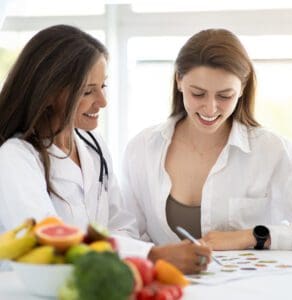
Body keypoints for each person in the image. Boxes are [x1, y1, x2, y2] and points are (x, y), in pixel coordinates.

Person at [0, 24, 211, 273]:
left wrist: (135, 258)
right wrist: (150, 255)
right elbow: (47, 242)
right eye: (88, 91)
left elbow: (122, 224)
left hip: (101, 282)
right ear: (48, 93)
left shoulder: (94, 146)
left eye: (103, 86)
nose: (102, 101)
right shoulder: (15, 158)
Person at [121, 28, 292, 253]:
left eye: (225, 96)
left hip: (246, 287)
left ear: (242, 88)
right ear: (179, 81)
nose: (210, 108)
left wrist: (249, 236)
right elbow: (124, 232)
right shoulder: (142, 148)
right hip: (167, 285)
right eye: (198, 93)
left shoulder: (273, 151)